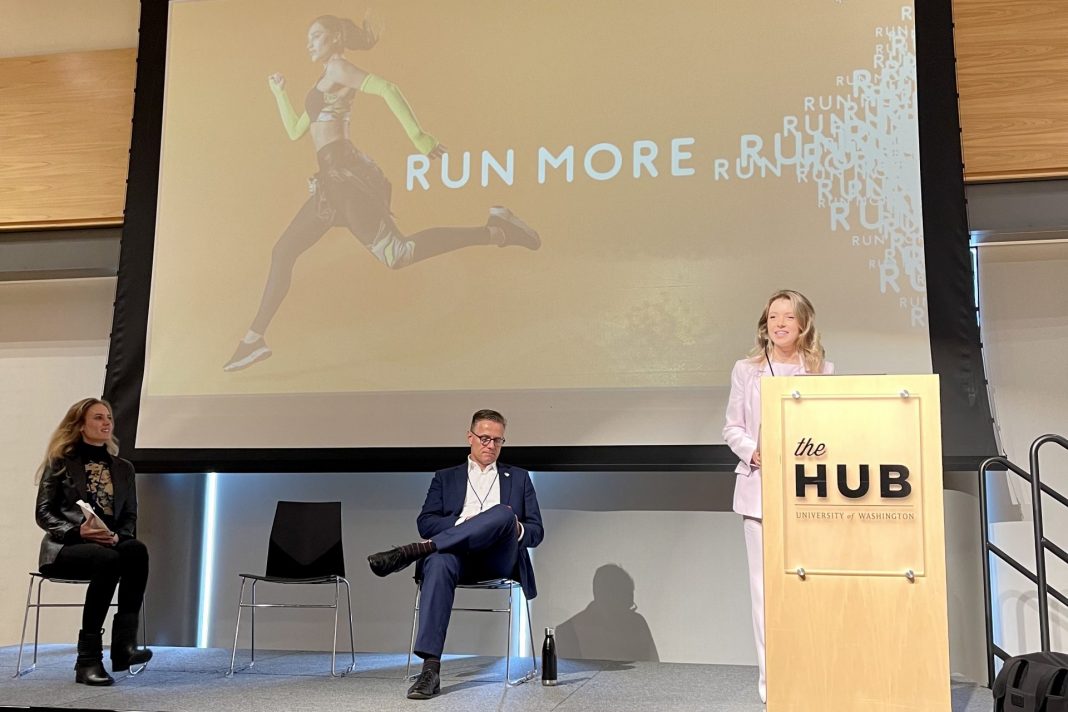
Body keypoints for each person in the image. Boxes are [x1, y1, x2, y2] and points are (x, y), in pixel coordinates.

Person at [224, 14, 540, 372]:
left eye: (316, 36)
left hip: (346, 179)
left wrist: (420, 138)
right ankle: (253, 340)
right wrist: (279, 93)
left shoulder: (339, 67)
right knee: (283, 252)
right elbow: (297, 130)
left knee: (398, 254)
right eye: (308, 37)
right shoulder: (326, 76)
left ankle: (496, 230)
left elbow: (387, 88)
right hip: (330, 183)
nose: (309, 43)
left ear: (335, 38)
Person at [367, 409, 544, 699]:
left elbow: (537, 531)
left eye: (498, 440)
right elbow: (426, 522)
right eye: (484, 438)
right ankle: (430, 670)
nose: (491, 445)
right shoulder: (445, 477)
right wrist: (466, 524)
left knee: (502, 513)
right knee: (437, 562)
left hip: (498, 559)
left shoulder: (519, 478)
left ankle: (413, 551)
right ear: (470, 437)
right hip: (456, 557)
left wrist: (513, 527)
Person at [722, 289, 832, 704]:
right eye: (773, 317)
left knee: (807, 588)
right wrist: (754, 452)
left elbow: (830, 427)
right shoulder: (746, 370)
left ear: (803, 323)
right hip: (759, 493)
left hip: (808, 497)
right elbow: (732, 427)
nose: (780, 323)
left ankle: (810, 675)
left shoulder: (822, 371)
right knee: (764, 593)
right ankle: (773, 685)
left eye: (788, 316)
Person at [34, 398, 152, 686]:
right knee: (108, 559)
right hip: (66, 548)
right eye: (98, 417)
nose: (106, 422)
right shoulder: (60, 462)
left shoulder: (123, 468)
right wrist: (78, 532)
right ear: (80, 425)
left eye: (108, 417)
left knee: (135, 550)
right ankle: (87, 660)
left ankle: (124, 646)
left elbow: (130, 515)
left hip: (108, 545)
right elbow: (43, 513)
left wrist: (118, 536)